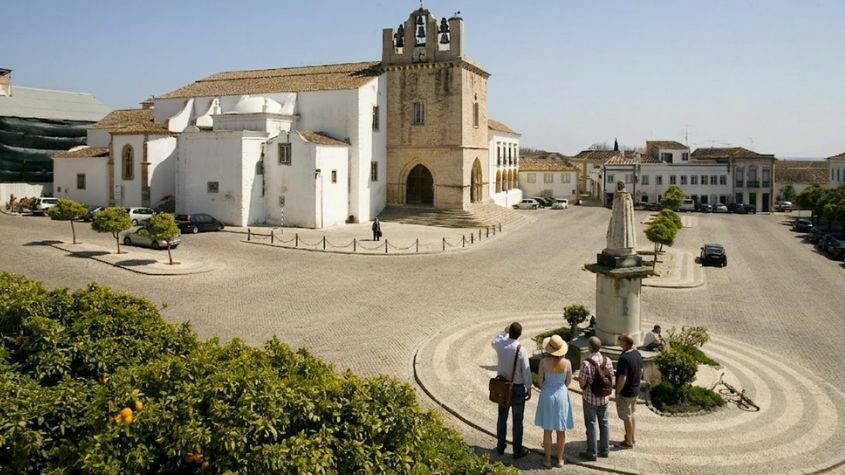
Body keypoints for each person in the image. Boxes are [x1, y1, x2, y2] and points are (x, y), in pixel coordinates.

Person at [491, 322, 532, 459]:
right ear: (520, 334)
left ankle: (500, 446)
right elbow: (526, 372)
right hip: (518, 388)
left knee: (502, 416)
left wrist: (504, 332)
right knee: (517, 420)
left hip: (503, 386)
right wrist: (529, 388)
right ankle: (517, 450)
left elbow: (494, 341)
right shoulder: (521, 350)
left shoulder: (501, 345)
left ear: (509, 332)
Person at [534, 334, 574, 468]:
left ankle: (547, 460)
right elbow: (568, 381)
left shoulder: (543, 362)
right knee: (561, 429)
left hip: (547, 394)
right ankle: (560, 459)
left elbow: (539, 381)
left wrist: (546, 386)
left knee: (548, 429)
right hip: (561, 394)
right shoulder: (567, 363)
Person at [578, 336, 614, 461]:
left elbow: (582, 384)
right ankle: (605, 450)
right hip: (604, 399)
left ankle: (592, 453)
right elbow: (611, 379)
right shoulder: (607, 360)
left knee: (591, 425)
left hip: (590, 398)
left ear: (590, 347)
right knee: (604, 423)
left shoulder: (586, 363)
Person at [614, 333, 643, 449]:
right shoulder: (637, 353)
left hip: (626, 393)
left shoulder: (623, 358)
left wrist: (617, 392)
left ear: (625, 343)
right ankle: (632, 437)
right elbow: (641, 371)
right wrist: (636, 383)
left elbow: (622, 377)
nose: (618, 341)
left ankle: (628, 442)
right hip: (635, 390)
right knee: (631, 414)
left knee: (626, 418)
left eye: (620, 339)